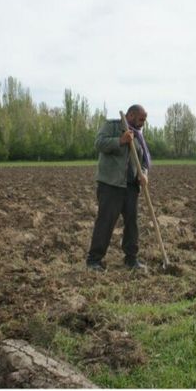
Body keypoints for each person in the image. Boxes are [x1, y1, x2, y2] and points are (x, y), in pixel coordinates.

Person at [86, 104, 151, 271]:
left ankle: (131, 259)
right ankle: (94, 260)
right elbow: (99, 143)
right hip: (111, 184)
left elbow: (143, 161)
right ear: (130, 115)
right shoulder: (113, 126)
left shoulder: (138, 136)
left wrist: (143, 175)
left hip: (130, 187)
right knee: (106, 222)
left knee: (132, 223)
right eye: (141, 119)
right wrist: (120, 141)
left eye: (144, 120)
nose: (143, 123)